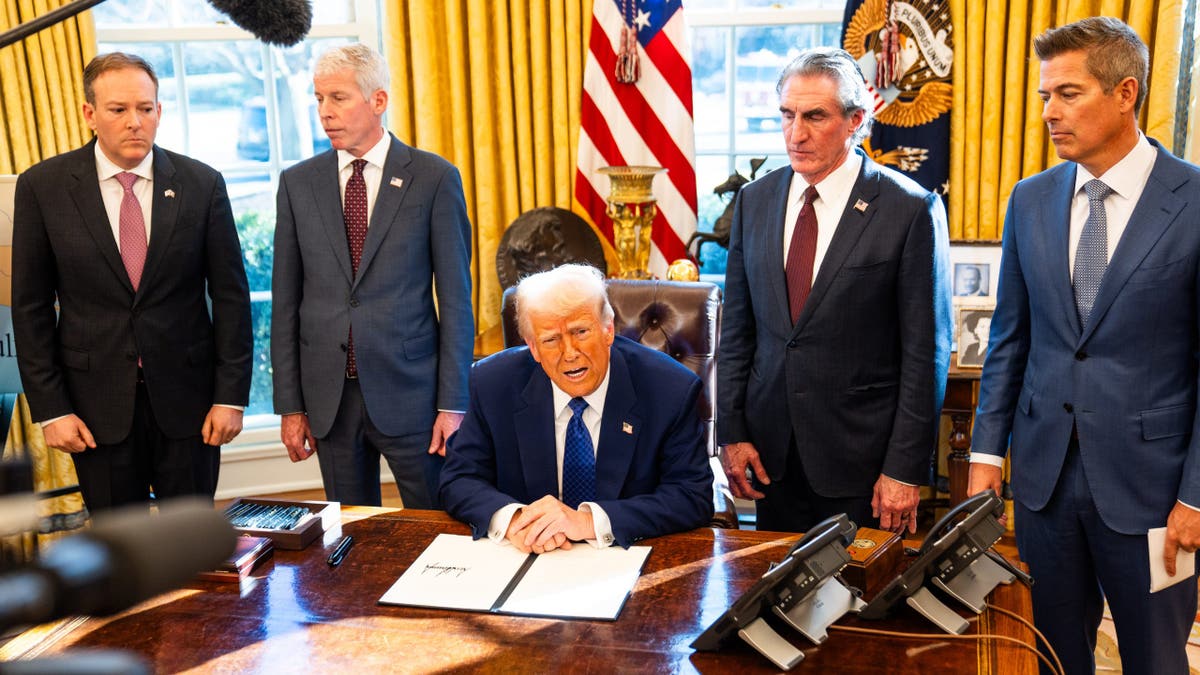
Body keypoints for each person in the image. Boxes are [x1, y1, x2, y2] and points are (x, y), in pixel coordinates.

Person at [968, 17, 1200, 675]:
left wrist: (1197, 496)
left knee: (1155, 659)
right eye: (1044, 95)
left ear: (1125, 92)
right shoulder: (1030, 200)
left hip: (1155, 497)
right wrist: (986, 455)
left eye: (1067, 94)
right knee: (1055, 657)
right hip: (1043, 486)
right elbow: (1011, 339)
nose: (1048, 112)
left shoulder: (1195, 201)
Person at [717, 47, 952, 535]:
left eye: (814, 116)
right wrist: (733, 434)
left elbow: (924, 354)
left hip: (862, 464)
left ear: (856, 121)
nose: (795, 133)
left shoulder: (909, 209)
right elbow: (739, 332)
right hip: (770, 460)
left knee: (860, 608)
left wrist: (904, 468)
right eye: (787, 115)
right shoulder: (754, 201)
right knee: (776, 602)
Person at [12, 52, 253, 511]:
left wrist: (231, 397)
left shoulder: (202, 184)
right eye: (118, 109)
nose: (134, 122)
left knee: (190, 549)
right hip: (93, 408)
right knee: (120, 556)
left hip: (190, 405)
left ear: (159, 111)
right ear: (90, 114)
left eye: (146, 108)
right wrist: (52, 409)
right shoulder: (44, 187)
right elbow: (31, 308)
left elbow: (231, 299)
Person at [271, 43, 473, 508]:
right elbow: (285, 305)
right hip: (330, 401)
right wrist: (291, 405)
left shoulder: (434, 178)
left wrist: (452, 403)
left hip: (414, 396)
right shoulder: (297, 184)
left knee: (436, 530)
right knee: (350, 540)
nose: (325, 111)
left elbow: (457, 301)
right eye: (319, 98)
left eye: (338, 97)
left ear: (378, 101)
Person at [440, 264, 713, 552]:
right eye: (550, 340)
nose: (569, 353)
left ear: (608, 330)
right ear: (532, 347)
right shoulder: (493, 383)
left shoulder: (669, 389)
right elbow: (459, 479)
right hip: (528, 557)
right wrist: (517, 521)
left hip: (624, 557)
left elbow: (692, 496)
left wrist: (586, 522)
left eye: (580, 332)